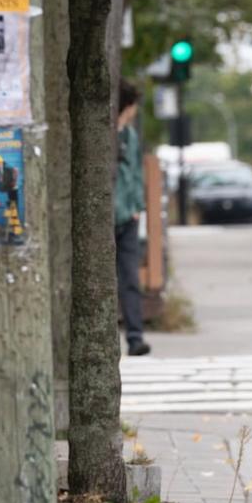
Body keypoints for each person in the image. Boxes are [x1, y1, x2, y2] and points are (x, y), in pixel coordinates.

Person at [115, 80, 150, 357]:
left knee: (130, 278)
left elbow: (137, 174)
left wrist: (137, 206)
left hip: (128, 217)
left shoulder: (130, 136)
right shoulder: (103, 135)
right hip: (106, 218)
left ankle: (135, 337)